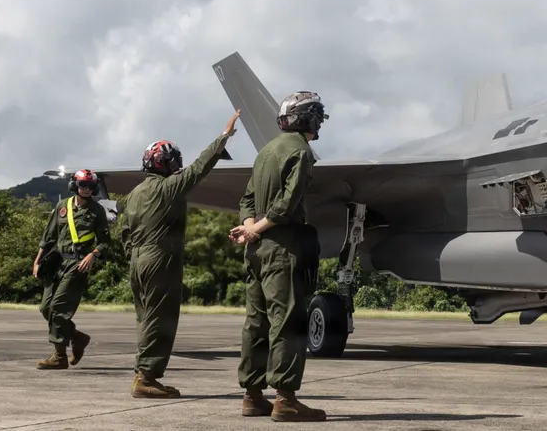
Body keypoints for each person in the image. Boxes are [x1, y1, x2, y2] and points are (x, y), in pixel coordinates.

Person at [120, 110, 242, 398]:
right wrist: (224, 136)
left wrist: (136, 255)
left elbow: (125, 232)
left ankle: (142, 372)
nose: (177, 166)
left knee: (145, 317)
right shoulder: (169, 188)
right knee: (161, 318)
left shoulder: (134, 194)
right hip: (159, 258)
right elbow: (200, 167)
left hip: (137, 259)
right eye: (173, 162)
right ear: (165, 164)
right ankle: (146, 377)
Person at [228, 91, 329, 422]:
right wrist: (257, 229)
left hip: (256, 250)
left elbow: (247, 199)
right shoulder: (301, 152)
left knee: (256, 322)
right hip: (281, 247)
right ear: (308, 119)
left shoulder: (266, 151)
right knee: (288, 321)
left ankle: (252, 396)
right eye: (317, 116)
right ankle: (285, 400)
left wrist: (249, 229)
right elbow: (287, 204)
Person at [32, 168, 112, 370]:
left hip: (78, 264)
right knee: (45, 308)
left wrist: (93, 255)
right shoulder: (62, 206)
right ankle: (77, 337)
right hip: (57, 262)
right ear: (74, 185)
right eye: (83, 185)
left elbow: (105, 242)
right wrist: (37, 261)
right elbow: (48, 236)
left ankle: (59, 356)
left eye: (90, 186)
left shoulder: (97, 211)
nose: (86, 189)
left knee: (58, 309)